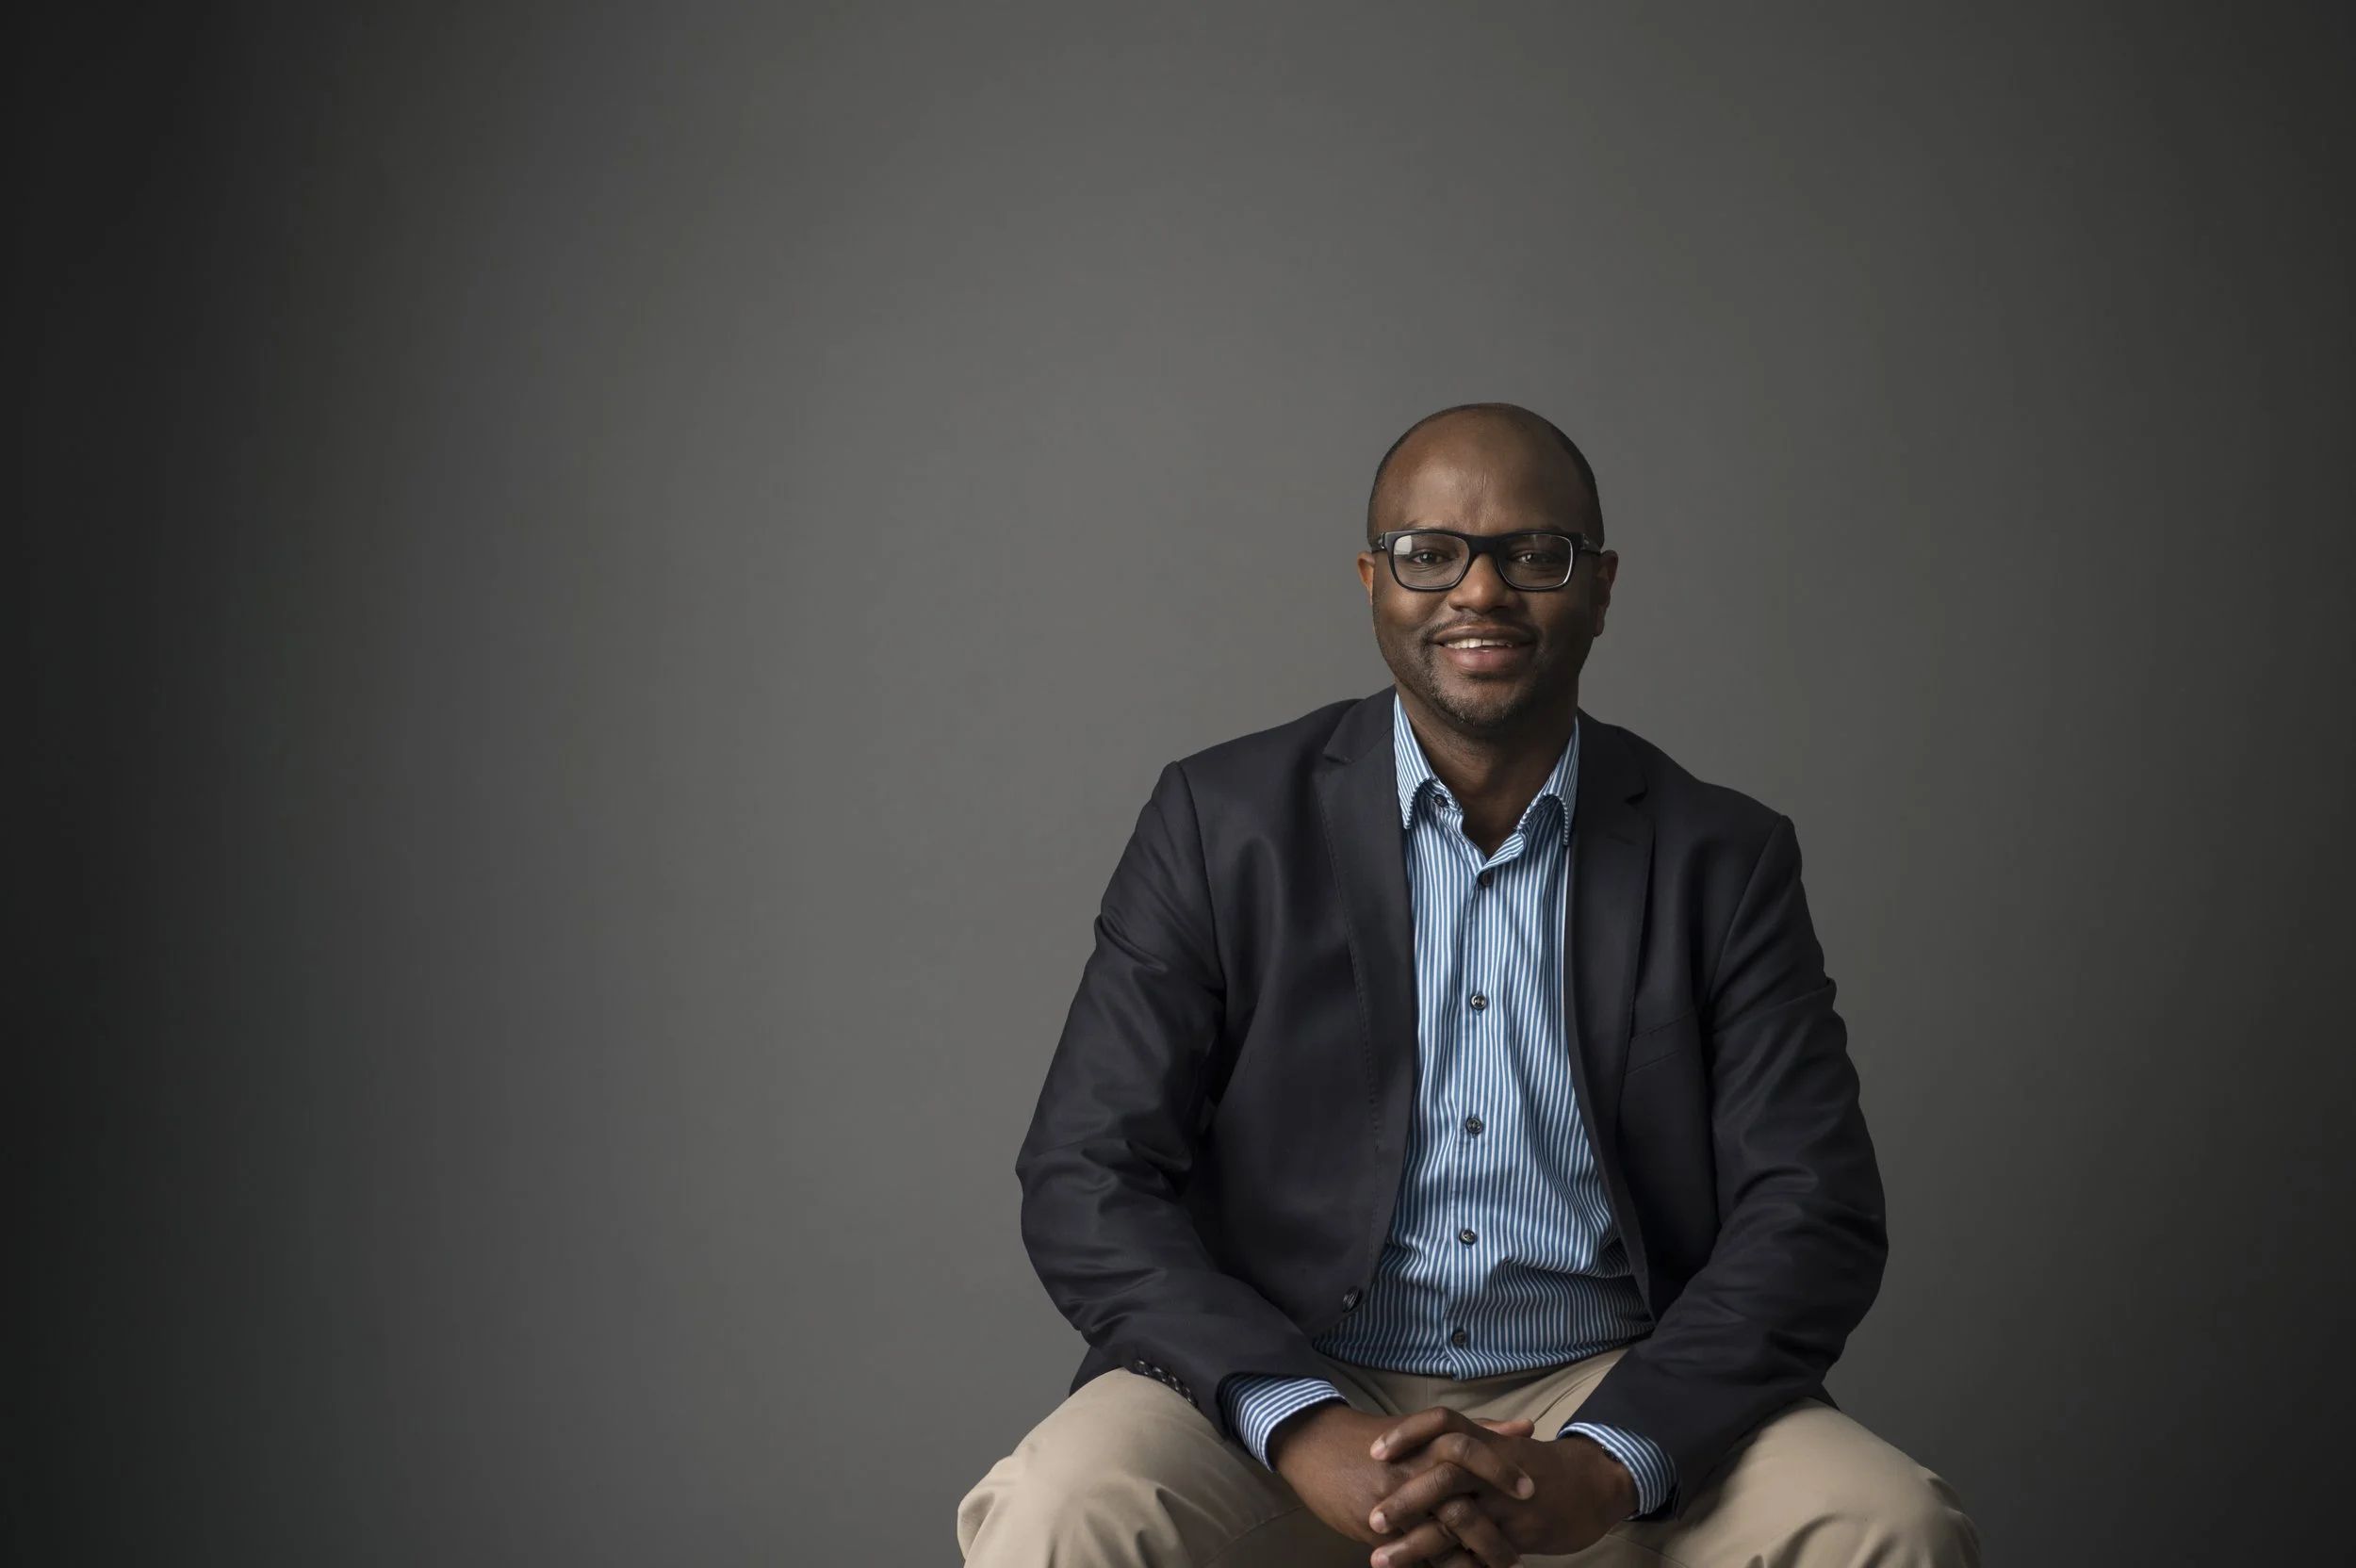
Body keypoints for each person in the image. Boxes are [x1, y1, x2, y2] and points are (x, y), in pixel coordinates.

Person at [957, 404, 1979, 1567]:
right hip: (1285, 1368)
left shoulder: (1721, 858)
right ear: (1371, 580)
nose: (1478, 592)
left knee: (1883, 1525)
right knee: (1060, 1508)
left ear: (1598, 586)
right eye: (1428, 552)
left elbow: (1812, 1207)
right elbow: (1087, 1171)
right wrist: (1299, 1419)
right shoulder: (1218, 820)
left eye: (1531, 554)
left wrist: (1605, 1457)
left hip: (1613, 1375)